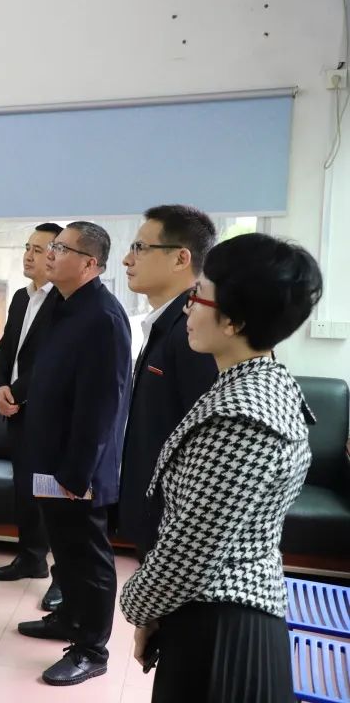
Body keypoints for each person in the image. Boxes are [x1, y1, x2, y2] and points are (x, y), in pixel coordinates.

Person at [120, 233, 322, 702]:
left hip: (222, 635)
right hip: (210, 614)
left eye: (198, 295)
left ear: (234, 320)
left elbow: (189, 553)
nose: (188, 309)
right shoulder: (257, 381)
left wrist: (138, 606)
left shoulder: (243, 417)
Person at [15, 221, 132, 686]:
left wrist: (77, 472)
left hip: (78, 466)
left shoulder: (103, 316)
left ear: (90, 264)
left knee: (88, 557)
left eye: (60, 248)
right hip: (50, 458)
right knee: (63, 547)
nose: (50, 254)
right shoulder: (61, 306)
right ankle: (67, 620)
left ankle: (92, 650)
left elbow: (104, 404)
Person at [118, 205, 219, 561]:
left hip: (173, 521)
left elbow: (202, 445)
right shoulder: (167, 322)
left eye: (140, 248)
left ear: (180, 258)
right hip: (153, 508)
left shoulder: (194, 331)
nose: (127, 260)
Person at [0, 222, 63, 613]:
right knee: (24, 491)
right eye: (27, 247)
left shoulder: (65, 302)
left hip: (48, 415)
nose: (29, 255)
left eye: (38, 249)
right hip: (17, 411)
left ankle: (63, 579)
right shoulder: (22, 297)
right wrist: (0, 387)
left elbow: (51, 362)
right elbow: (7, 349)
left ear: (56, 255)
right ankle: (31, 558)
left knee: (53, 497)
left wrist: (15, 393)